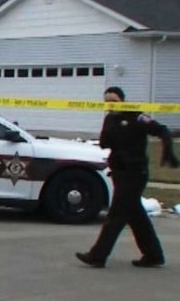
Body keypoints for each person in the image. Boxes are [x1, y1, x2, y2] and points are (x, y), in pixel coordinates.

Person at [76, 86, 179, 268]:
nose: (110, 105)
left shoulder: (136, 116)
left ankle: (97, 256)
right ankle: (153, 255)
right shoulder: (109, 119)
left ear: (123, 101)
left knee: (116, 214)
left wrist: (168, 151)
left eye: (114, 101)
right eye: (107, 101)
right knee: (136, 215)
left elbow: (162, 130)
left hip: (135, 173)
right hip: (119, 172)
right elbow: (104, 142)